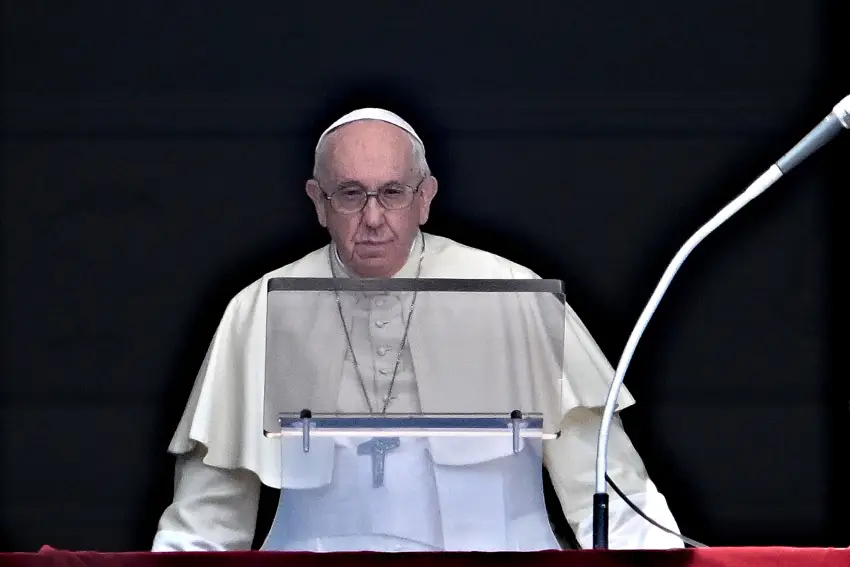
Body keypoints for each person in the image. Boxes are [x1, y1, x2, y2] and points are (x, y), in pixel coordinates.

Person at [151, 108, 683, 552]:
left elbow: (608, 491)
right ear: (319, 202)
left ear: (425, 197)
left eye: (394, 192)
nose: (375, 217)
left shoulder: (513, 295)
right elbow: (208, 523)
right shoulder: (259, 310)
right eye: (352, 195)